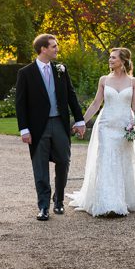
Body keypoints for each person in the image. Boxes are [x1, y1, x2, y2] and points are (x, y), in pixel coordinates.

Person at [69, 47, 135, 217]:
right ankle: (109, 204)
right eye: (110, 57)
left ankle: (124, 199)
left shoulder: (133, 82)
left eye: (113, 58)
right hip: (106, 126)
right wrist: (81, 121)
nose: (110, 60)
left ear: (123, 61)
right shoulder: (104, 80)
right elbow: (95, 104)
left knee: (123, 161)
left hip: (125, 127)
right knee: (108, 160)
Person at [16, 33, 85, 221]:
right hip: (38, 127)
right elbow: (20, 104)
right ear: (43, 49)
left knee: (64, 160)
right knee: (40, 167)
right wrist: (24, 129)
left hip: (59, 124)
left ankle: (59, 199)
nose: (57, 49)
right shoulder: (25, 73)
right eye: (54, 46)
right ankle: (44, 207)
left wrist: (79, 120)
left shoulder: (61, 69)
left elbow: (71, 96)